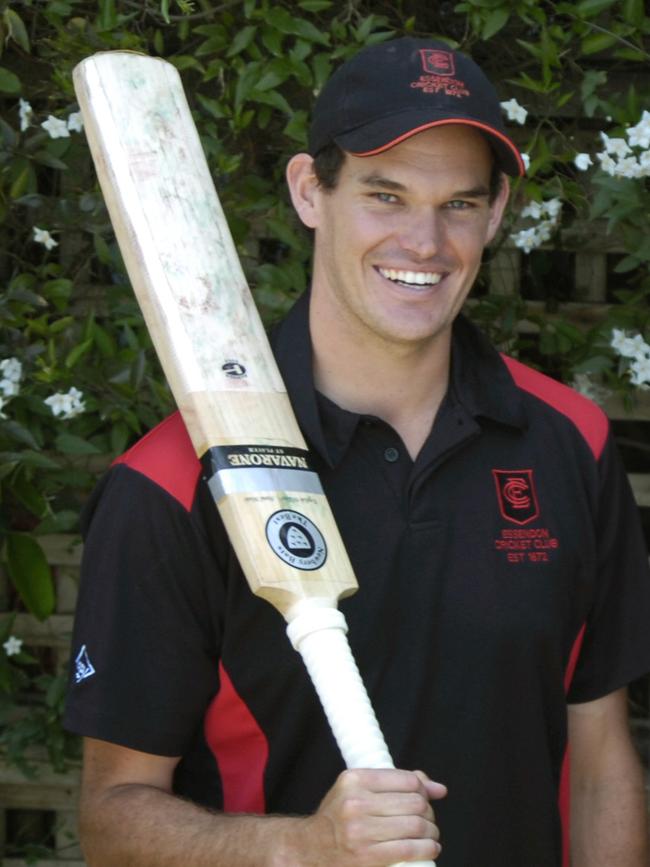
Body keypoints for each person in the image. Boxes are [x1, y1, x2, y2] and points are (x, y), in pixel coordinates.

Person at [64, 37, 650, 866]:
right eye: (386, 194)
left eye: (458, 203)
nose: (425, 242)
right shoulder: (170, 481)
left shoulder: (571, 443)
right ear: (312, 190)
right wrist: (303, 846)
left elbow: (599, 762)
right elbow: (113, 819)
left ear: (496, 211)